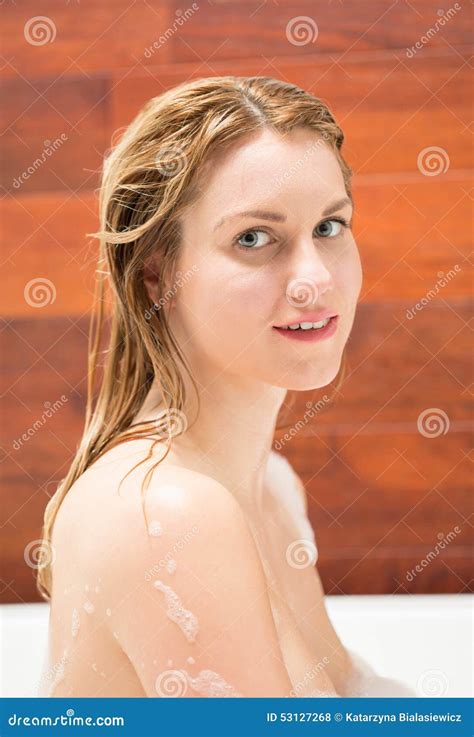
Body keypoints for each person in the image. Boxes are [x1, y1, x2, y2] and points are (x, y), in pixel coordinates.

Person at [36, 75, 414, 698]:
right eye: (253, 238)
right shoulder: (166, 513)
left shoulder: (268, 488)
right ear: (157, 277)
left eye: (329, 226)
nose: (313, 280)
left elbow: (351, 698)